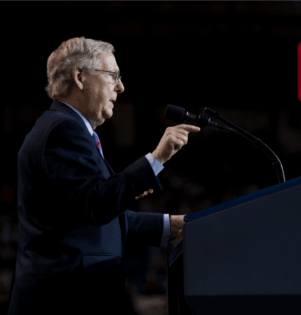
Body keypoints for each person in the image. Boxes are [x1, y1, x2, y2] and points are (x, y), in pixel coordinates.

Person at [8, 37, 200, 315]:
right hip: (65, 299)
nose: (121, 87)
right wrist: (157, 158)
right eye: (113, 75)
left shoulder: (66, 128)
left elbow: (95, 215)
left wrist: (170, 225)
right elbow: (97, 203)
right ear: (80, 76)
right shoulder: (62, 130)